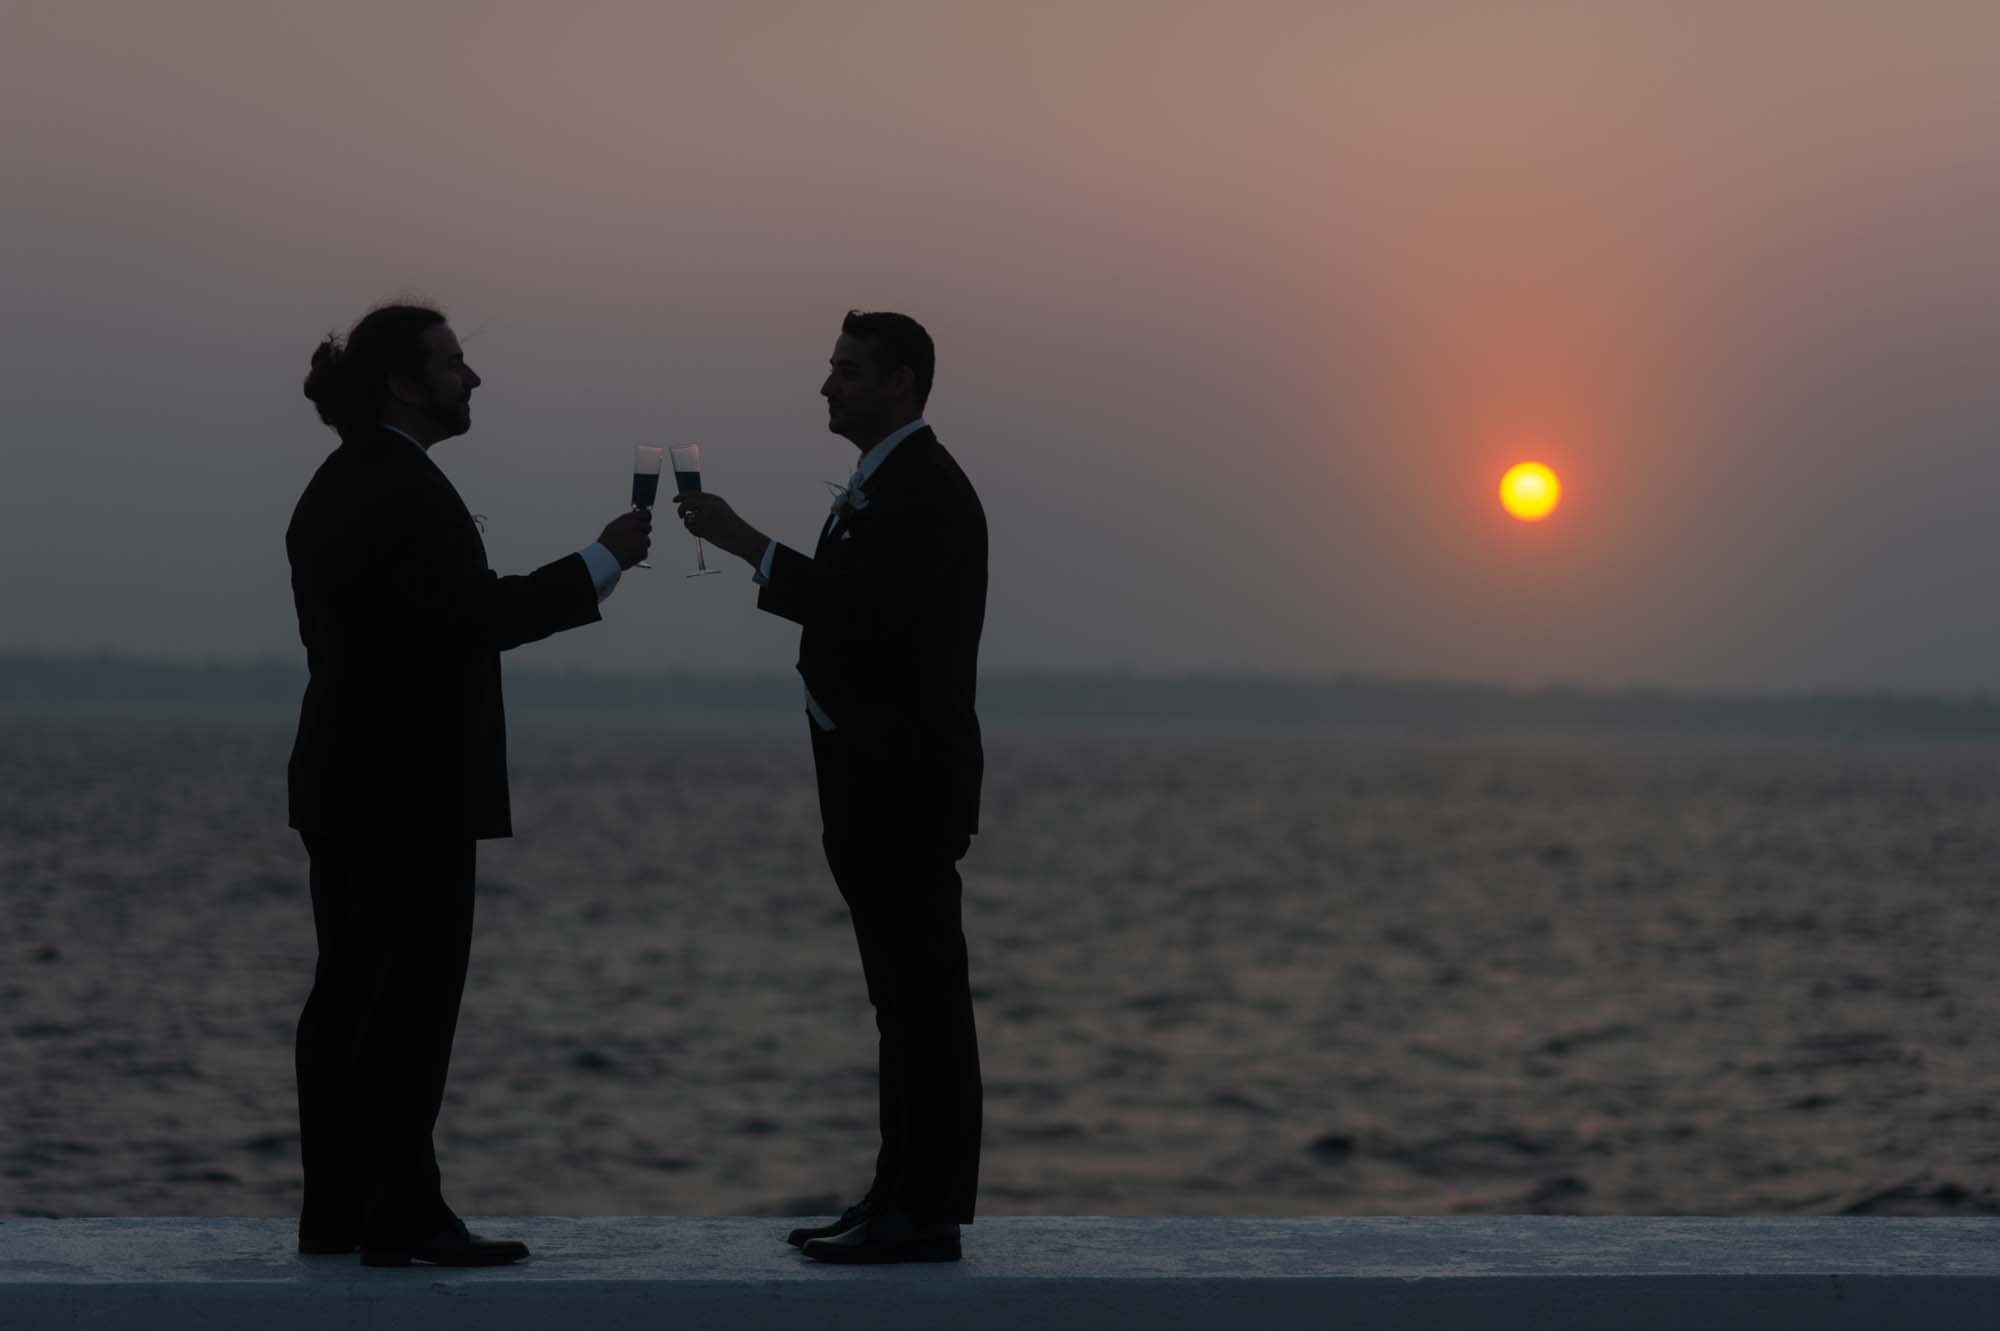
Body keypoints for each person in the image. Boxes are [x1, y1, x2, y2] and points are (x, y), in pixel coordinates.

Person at [287, 302, 650, 1267]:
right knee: (406, 1005)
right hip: (408, 794)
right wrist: (604, 560)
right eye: (455, 364)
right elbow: (474, 617)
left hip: (345, 784)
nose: (473, 379)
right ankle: (404, 1215)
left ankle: (341, 1209)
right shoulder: (404, 492)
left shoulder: (338, 484)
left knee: (348, 997)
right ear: (406, 383)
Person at [678, 310, 987, 1263]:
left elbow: (866, 614)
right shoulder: (885, 482)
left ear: (900, 383)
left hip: (903, 788)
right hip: (869, 785)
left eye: (846, 372)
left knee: (923, 1000)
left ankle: (921, 1212)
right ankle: (897, 1194)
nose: (826, 386)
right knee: (901, 1000)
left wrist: (747, 544)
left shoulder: (925, 489)